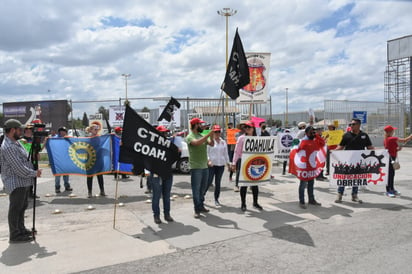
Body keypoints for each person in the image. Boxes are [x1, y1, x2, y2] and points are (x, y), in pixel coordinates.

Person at [0, 119, 42, 243]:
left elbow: (25, 159)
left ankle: (21, 229)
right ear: (13, 130)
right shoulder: (8, 147)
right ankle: (15, 234)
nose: (21, 132)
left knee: (22, 207)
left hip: (22, 181)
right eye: (19, 129)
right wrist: (34, 173)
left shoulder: (16, 143)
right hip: (16, 182)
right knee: (16, 208)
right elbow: (18, 168)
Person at [335, 118, 374, 203]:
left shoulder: (364, 135)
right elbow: (340, 147)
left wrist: (382, 152)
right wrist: (333, 152)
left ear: (359, 125)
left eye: (353, 124)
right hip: (347, 161)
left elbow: (370, 147)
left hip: (359, 161)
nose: (351, 126)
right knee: (344, 178)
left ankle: (354, 195)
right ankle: (339, 194)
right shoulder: (346, 135)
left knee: (356, 178)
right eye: (350, 124)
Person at [186, 117, 214, 218]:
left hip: (204, 166)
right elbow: (196, 143)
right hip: (195, 167)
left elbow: (212, 144)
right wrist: (208, 135)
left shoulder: (202, 135)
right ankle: (196, 209)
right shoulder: (190, 136)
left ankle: (201, 205)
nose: (202, 126)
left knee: (203, 188)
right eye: (200, 124)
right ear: (195, 125)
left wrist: (212, 136)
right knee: (196, 189)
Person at [231, 121, 263, 212]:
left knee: (255, 184)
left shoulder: (257, 138)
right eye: (246, 127)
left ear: (253, 128)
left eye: (249, 127)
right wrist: (234, 163)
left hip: (255, 162)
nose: (247, 128)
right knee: (244, 184)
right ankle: (243, 203)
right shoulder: (241, 138)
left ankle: (255, 202)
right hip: (243, 161)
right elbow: (237, 152)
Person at [151, 125, 176, 224]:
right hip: (157, 174)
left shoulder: (169, 145)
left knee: (167, 195)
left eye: (165, 133)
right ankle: (156, 216)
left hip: (168, 173)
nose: (165, 135)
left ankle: (167, 214)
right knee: (156, 196)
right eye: (163, 133)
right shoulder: (151, 145)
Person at [297, 126, 324, 209]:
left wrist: (316, 135)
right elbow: (298, 152)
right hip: (305, 167)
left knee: (311, 184)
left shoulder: (314, 141)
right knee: (303, 185)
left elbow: (323, 144)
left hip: (312, 167)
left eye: (314, 132)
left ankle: (311, 200)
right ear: (306, 133)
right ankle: (302, 201)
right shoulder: (303, 142)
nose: (313, 133)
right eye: (311, 132)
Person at [383, 125, 412, 197]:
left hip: (389, 158)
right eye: (393, 130)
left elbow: (390, 149)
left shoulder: (386, 139)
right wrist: (411, 136)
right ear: (390, 132)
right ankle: (389, 190)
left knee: (391, 174)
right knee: (390, 174)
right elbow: (405, 140)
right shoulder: (392, 138)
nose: (394, 131)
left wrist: (397, 149)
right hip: (391, 158)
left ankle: (391, 189)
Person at [205, 125, 230, 206]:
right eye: (215, 132)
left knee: (218, 183)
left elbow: (226, 154)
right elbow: (207, 153)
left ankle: (216, 199)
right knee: (208, 181)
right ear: (213, 132)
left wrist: (228, 163)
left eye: (219, 131)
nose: (217, 133)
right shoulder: (210, 141)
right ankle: (202, 196)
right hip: (212, 165)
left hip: (221, 165)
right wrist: (208, 161)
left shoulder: (223, 142)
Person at [86, 124, 106, 198]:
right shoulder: (87, 139)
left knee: (100, 175)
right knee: (90, 176)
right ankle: (89, 192)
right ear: (91, 130)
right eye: (95, 129)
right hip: (90, 159)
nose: (96, 130)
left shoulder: (99, 138)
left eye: (97, 129)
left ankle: (102, 191)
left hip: (98, 159)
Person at [54, 127, 73, 193]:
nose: (63, 132)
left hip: (65, 159)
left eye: (64, 131)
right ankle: (57, 187)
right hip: (57, 159)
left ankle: (67, 186)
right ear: (59, 132)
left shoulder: (67, 138)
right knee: (58, 175)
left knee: (66, 173)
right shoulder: (55, 138)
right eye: (61, 131)